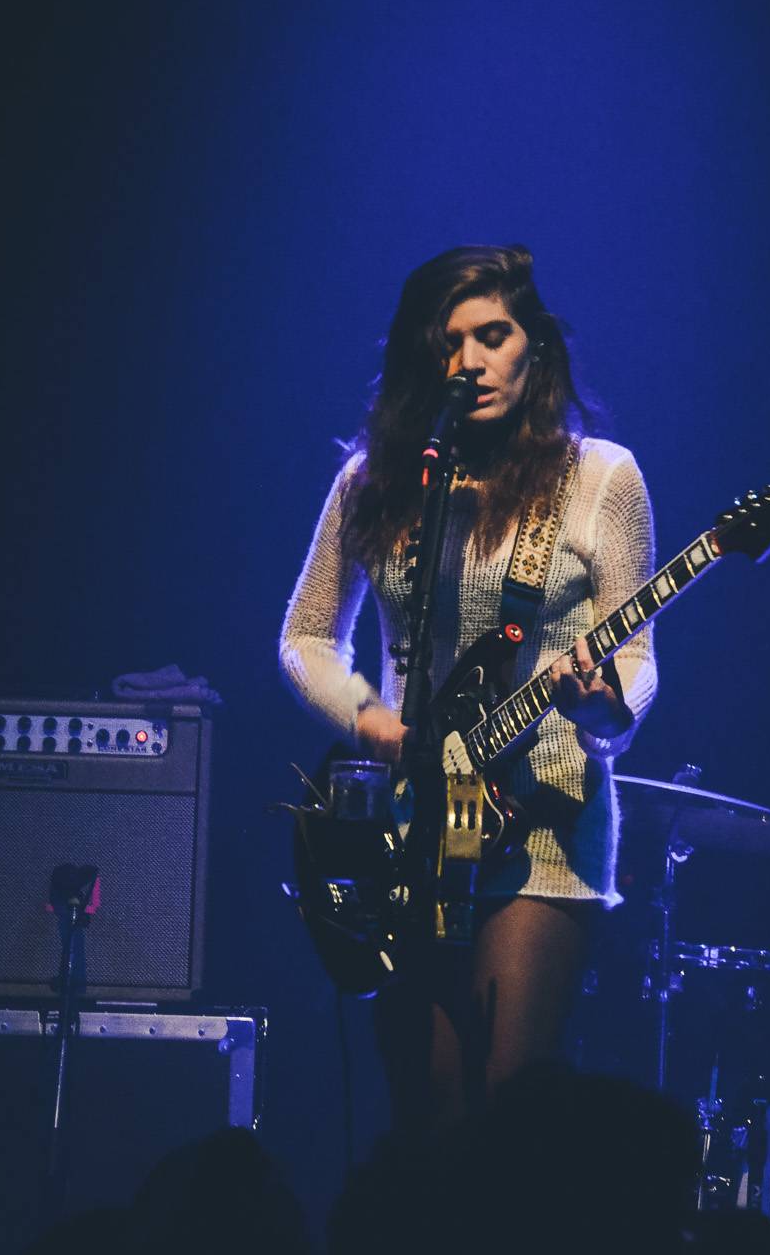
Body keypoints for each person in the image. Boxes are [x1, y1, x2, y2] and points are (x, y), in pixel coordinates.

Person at [280, 244, 658, 1131]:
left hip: (544, 823)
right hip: (411, 822)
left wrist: (603, 705)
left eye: (494, 335)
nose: (473, 361)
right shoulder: (374, 481)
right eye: (450, 342)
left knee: (507, 1105)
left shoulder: (602, 478)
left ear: (537, 346)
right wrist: (367, 716)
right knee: (430, 1119)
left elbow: (636, 657)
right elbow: (305, 636)